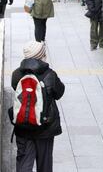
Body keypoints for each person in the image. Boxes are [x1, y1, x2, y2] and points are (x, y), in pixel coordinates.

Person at [10, 41, 65, 172]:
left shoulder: (17, 74)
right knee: (44, 164)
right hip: (45, 128)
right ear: (41, 55)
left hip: (23, 126)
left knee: (24, 162)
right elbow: (59, 92)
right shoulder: (50, 74)